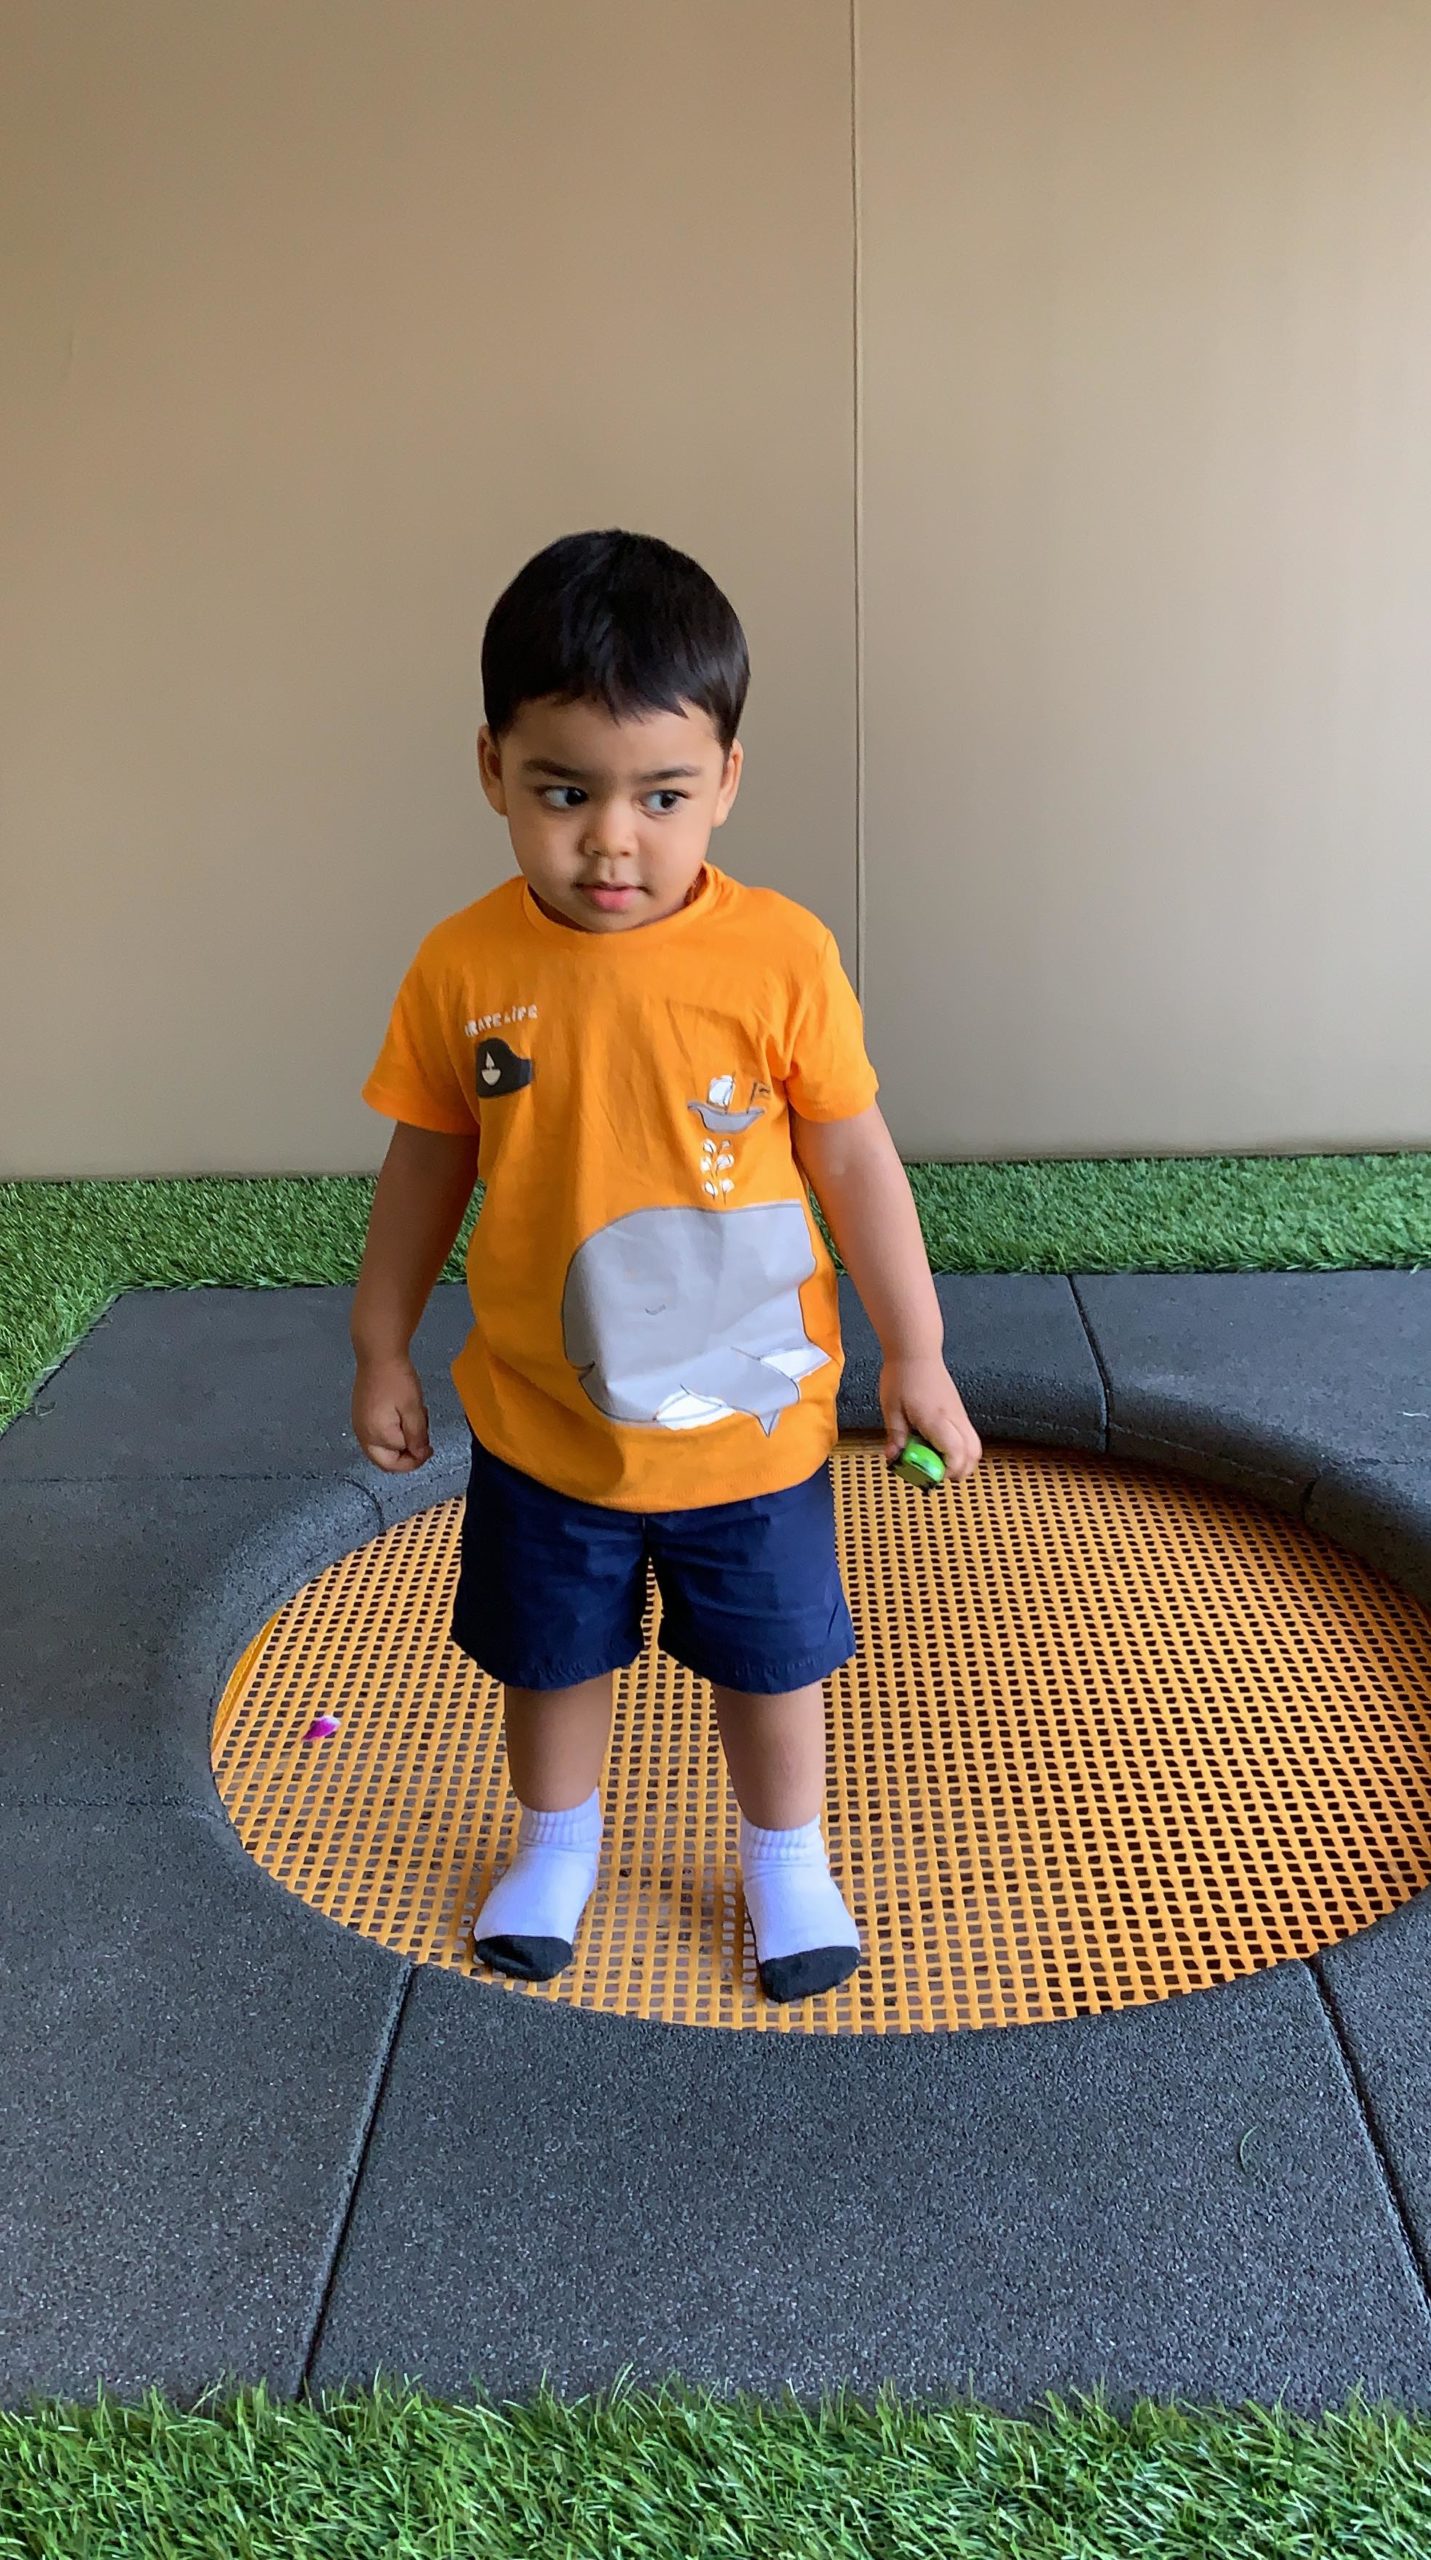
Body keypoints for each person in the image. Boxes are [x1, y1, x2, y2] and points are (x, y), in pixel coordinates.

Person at [351, 528, 982, 2003]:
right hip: (547, 1421)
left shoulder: (781, 958)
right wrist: (379, 1343)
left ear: (728, 780)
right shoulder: (462, 967)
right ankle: (556, 1843)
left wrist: (920, 1350)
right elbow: (425, 1164)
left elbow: (855, 1161)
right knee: (549, 1656)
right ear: (493, 768)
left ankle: (787, 1860)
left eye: (662, 796)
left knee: (774, 1661)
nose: (612, 843)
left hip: (752, 1422)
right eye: (565, 792)